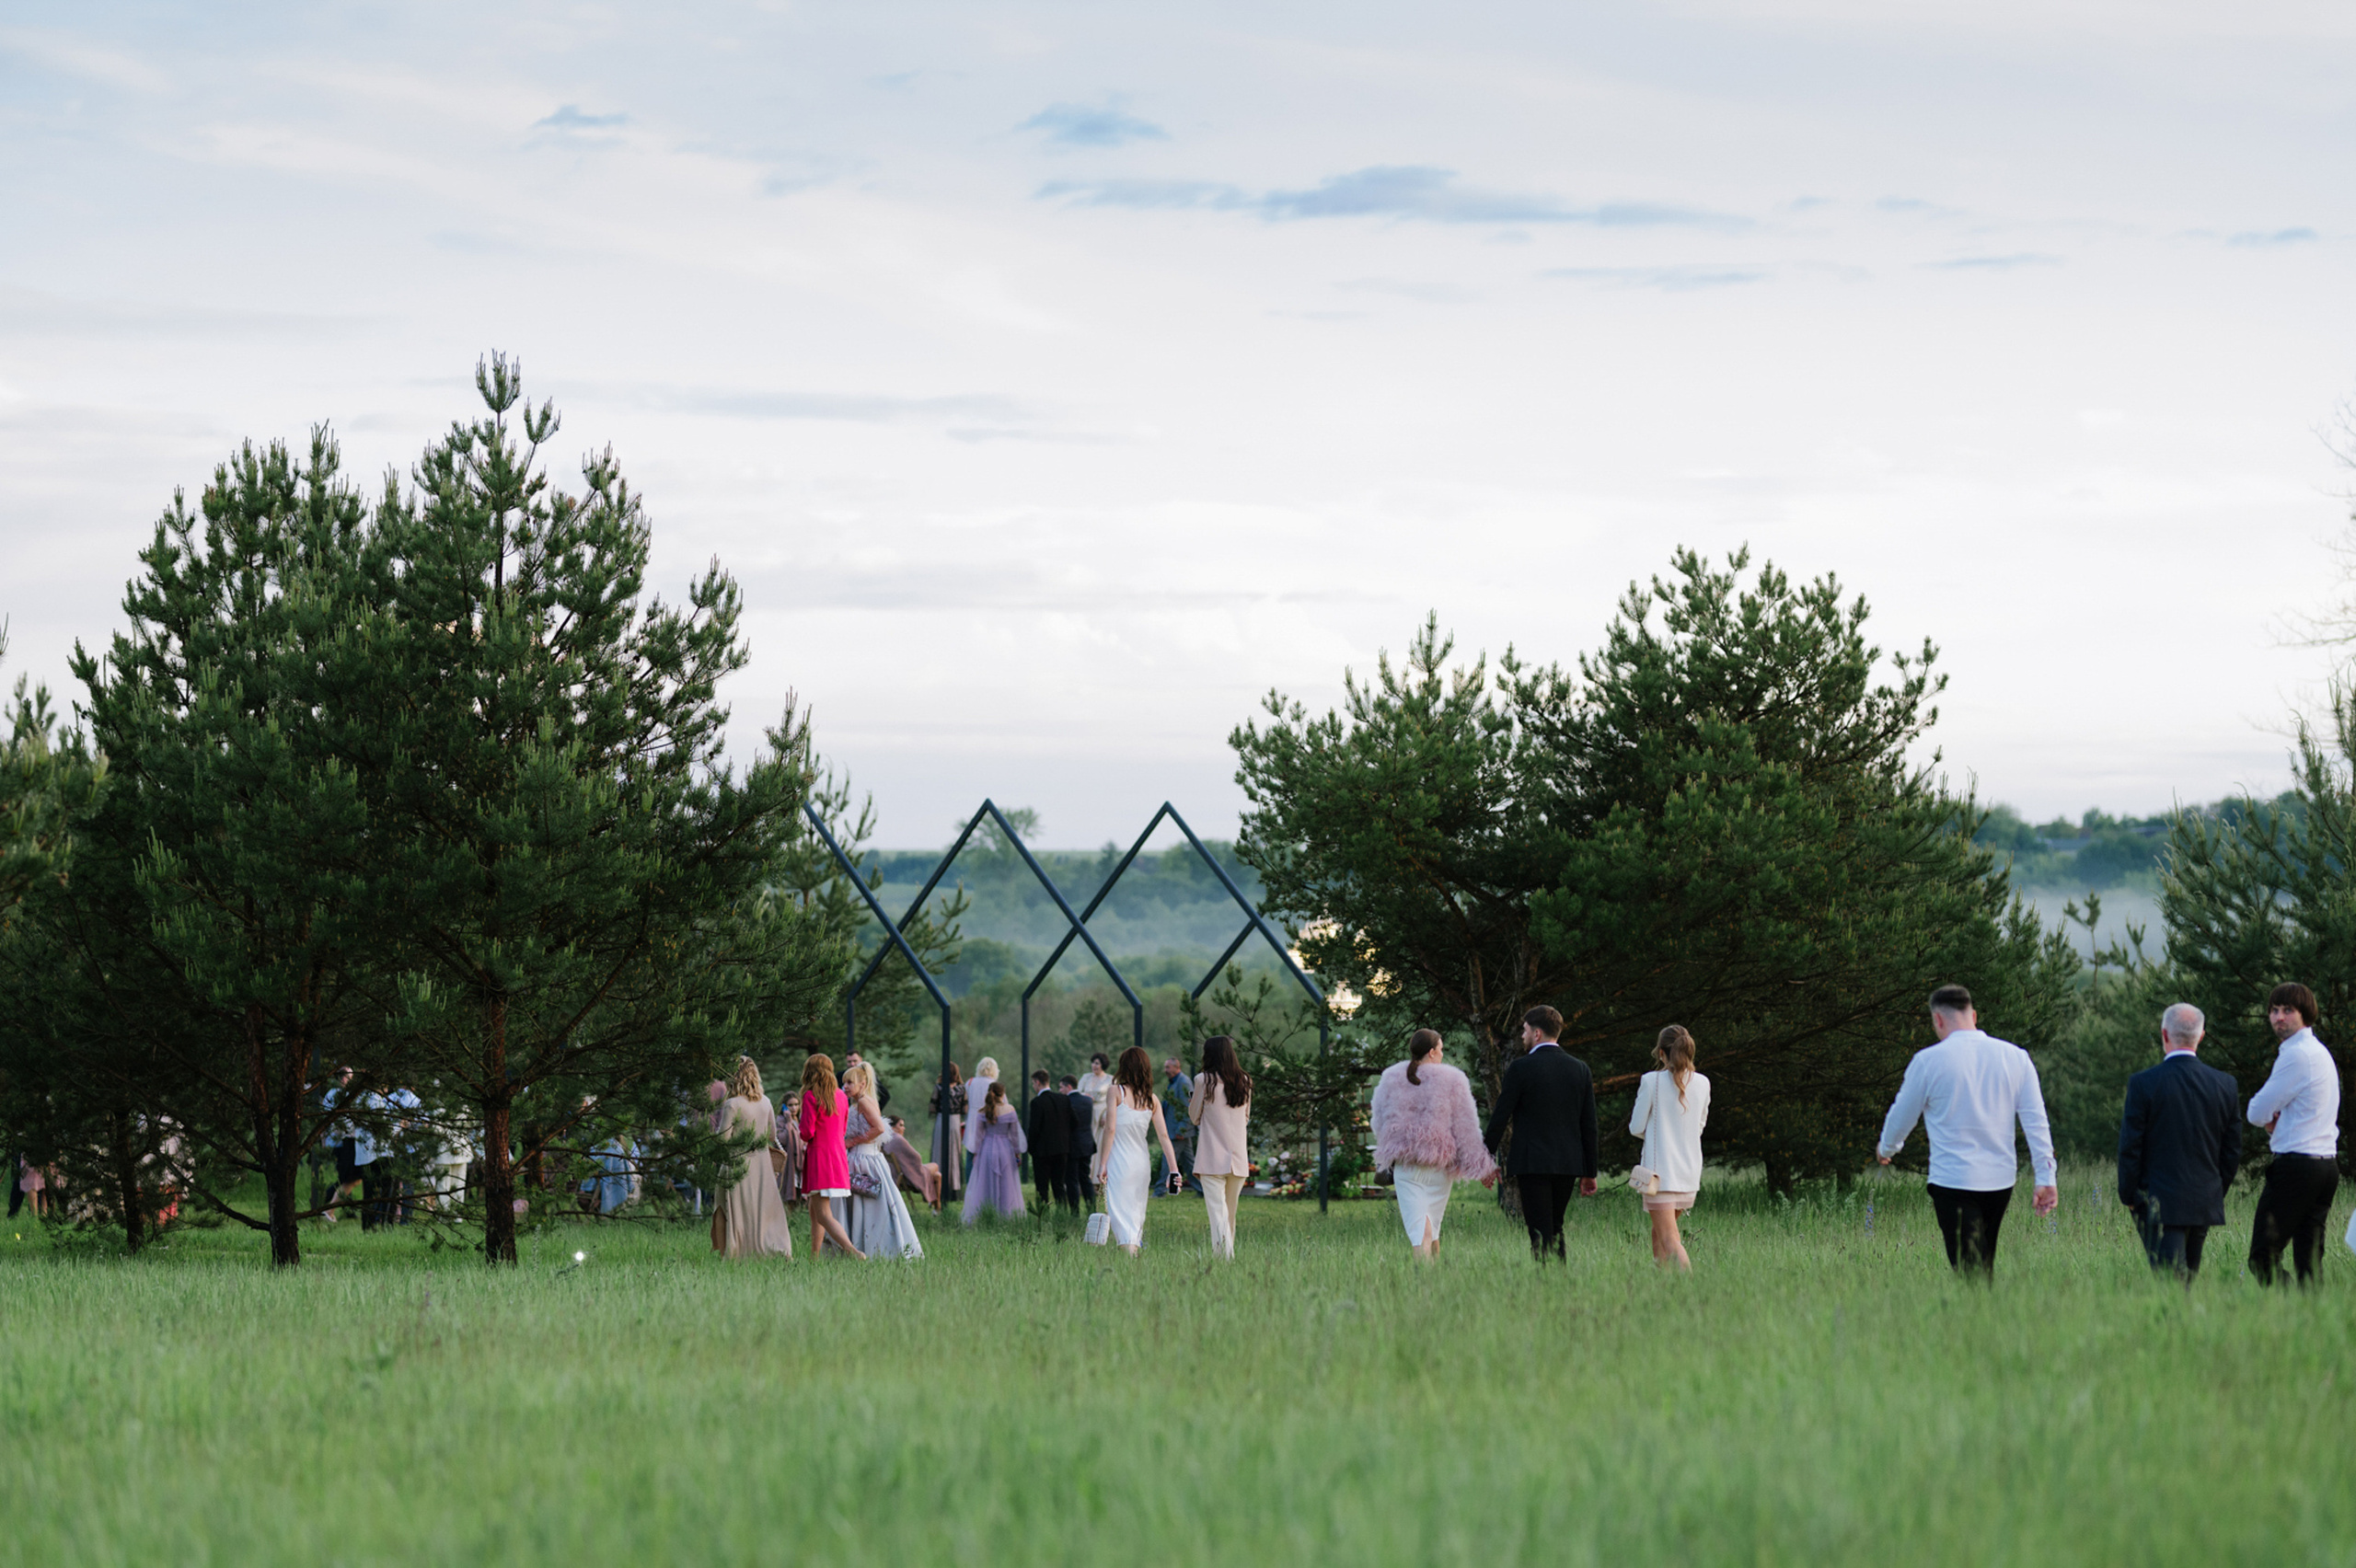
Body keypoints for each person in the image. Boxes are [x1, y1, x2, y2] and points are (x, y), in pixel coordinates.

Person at [1877, 984, 2059, 1279]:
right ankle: (1982, 1316)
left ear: (1937, 1019)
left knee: (1970, 1270)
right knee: (1981, 1263)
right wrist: (2046, 1177)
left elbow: (1901, 1115)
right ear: (1973, 1015)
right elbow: (2036, 1122)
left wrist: (1887, 1148)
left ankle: (1977, 1318)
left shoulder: (1928, 1061)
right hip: (2000, 1181)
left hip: (1953, 1181)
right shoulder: (2015, 1057)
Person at [2117, 1002, 2242, 1281]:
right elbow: (2232, 1151)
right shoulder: (2225, 1084)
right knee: (2187, 1280)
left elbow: (2130, 1147)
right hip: (2203, 1201)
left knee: (2171, 1285)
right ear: (2201, 1036)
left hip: (2157, 1201)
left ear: (2164, 1035)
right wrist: (2213, 1190)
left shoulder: (2143, 1084)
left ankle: (2175, 1325)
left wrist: (2129, 1195)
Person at [1482, 1006, 1600, 1262]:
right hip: (1568, 1163)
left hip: (1531, 1162)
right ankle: (1558, 1282)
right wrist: (1590, 1171)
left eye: (1524, 1031)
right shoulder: (1580, 1069)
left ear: (1536, 1034)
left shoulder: (1521, 1068)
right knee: (1556, 1225)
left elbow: (1500, 1117)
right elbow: (1589, 1125)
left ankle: (1546, 1283)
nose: (1522, 1037)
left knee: (1538, 1228)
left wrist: (1484, 1159)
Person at [2245, 981, 2342, 1286]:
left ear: (2306, 1013)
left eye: (2288, 1010)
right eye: (2274, 1010)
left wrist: (2271, 1119)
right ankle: (2311, 1322)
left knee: (2262, 1257)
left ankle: (2287, 1313)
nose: (2279, 1017)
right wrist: (2281, 1118)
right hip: (2326, 1166)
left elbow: (2256, 1111)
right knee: (2309, 1263)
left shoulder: (2297, 1055)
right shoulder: (2320, 1052)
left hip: (2298, 1166)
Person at [1373, 1030, 1496, 1259]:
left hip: (1407, 1168)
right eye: (1441, 1049)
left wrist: (1391, 1149)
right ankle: (1433, 1284)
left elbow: (1379, 1122)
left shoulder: (1390, 1077)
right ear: (1432, 1052)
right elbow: (1466, 1128)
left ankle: (1427, 1285)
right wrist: (1482, 1167)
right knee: (1432, 1229)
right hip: (1439, 1170)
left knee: (1423, 1231)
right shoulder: (1453, 1079)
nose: (1442, 1054)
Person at [1628, 1026, 1712, 1271]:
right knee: (1659, 1234)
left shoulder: (1651, 1081)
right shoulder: (1703, 1083)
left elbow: (1636, 1126)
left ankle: (1688, 1292)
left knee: (1669, 1239)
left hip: (1659, 1176)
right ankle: (1665, 1289)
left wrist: (1657, 1133)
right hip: (1688, 1173)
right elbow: (1699, 1126)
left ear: (1662, 1054)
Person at [1093, 1045, 1184, 1253]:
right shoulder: (1152, 1099)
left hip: (1120, 1161)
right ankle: (1133, 1252)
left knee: (1119, 1212)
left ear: (1123, 1067)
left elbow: (1110, 1129)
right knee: (1135, 1212)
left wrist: (1103, 1163)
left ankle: (1129, 1257)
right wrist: (1174, 1169)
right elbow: (1164, 1137)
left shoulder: (1116, 1092)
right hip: (1141, 1163)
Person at [714, 1057, 794, 1258]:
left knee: (730, 1208)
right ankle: (768, 1247)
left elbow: (723, 1138)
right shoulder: (765, 1102)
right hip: (762, 1163)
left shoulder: (732, 1105)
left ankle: (733, 1250)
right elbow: (771, 1135)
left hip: (737, 1161)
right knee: (762, 1209)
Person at [842, 1063, 923, 1259]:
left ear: (862, 1084)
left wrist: (853, 1141)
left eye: (849, 1082)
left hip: (864, 1157)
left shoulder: (863, 1102)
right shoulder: (864, 1101)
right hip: (864, 1155)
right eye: (844, 1082)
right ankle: (868, 1245)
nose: (845, 1086)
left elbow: (879, 1128)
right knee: (870, 1204)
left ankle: (868, 1246)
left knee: (866, 1202)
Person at [1187, 1036, 1254, 1259]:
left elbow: (1194, 1117)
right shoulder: (1245, 1080)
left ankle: (1225, 1258)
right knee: (1230, 1215)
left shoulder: (1202, 1080)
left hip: (1211, 1157)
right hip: (1238, 1157)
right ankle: (1226, 1255)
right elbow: (1245, 1117)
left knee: (1218, 1213)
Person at [799, 1055, 865, 1260]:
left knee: (824, 1214)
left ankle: (852, 1252)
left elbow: (807, 1132)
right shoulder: (841, 1096)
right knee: (815, 1210)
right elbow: (843, 1128)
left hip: (819, 1157)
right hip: (837, 1156)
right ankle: (814, 1257)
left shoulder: (811, 1096)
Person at [963, 1080, 1028, 1222]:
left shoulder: (982, 1111)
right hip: (1005, 1149)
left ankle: (986, 1214)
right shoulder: (1010, 1110)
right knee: (1007, 1183)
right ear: (1002, 1094)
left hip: (987, 1148)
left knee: (985, 1182)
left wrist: (976, 1154)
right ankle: (1007, 1215)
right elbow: (1015, 1135)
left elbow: (978, 1137)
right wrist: (1017, 1152)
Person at [1029, 1069, 1076, 1213]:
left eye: (1033, 1083)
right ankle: (1062, 1213)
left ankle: (1042, 1215)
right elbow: (1074, 1122)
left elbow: (1034, 1129)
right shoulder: (1063, 1099)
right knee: (1059, 1184)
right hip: (1062, 1149)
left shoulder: (1037, 1102)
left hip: (1042, 1151)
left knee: (1042, 1186)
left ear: (1037, 1082)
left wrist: (1031, 1148)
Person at [884, 1115, 941, 1211]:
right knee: (935, 1166)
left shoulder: (886, 1139)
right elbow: (917, 1157)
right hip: (904, 1178)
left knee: (937, 1176)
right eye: (901, 1125)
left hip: (894, 1176)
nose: (903, 1128)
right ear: (893, 1127)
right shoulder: (898, 1139)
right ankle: (936, 1206)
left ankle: (936, 1206)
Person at [1161, 1056, 1199, 1195]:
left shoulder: (1184, 1082)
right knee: (1190, 1164)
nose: (1166, 1070)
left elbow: (1188, 1107)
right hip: (1176, 1129)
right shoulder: (1173, 1082)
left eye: (1168, 1067)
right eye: (1165, 1067)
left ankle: (1159, 1190)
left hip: (1179, 1131)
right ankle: (1202, 1190)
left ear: (1177, 1068)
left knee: (1168, 1160)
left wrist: (1182, 1129)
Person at [929, 1064, 966, 1198]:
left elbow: (932, 1108)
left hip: (941, 1120)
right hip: (955, 1122)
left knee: (938, 1152)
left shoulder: (938, 1088)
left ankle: (936, 1187)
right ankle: (954, 1187)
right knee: (955, 1154)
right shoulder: (962, 1089)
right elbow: (965, 1109)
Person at [1063, 1075, 1098, 1205]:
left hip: (1072, 1145)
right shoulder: (1088, 1101)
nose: (1060, 1090)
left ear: (1069, 1087)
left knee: (1071, 1179)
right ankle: (1091, 1206)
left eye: (1061, 1087)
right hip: (1087, 1143)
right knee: (1085, 1177)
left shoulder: (1066, 1102)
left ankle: (1074, 1210)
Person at [964, 1056, 1001, 1178]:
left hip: (972, 1121)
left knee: (970, 1156)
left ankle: (970, 1185)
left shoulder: (970, 1083)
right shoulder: (994, 1085)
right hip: (989, 1120)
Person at [1077, 1053, 1114, 1151]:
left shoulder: (1110, 1079)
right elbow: (1078, 1092)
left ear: (1103, 1065)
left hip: (1102, 1113)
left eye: (1097, 1063)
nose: (1094, 1065)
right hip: (1086, 1111)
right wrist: (1085, 1096)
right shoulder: (1086, 1077)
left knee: (1100, 1140)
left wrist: (1107, 1114)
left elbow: (1113, 1100)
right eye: (1093, 1063)